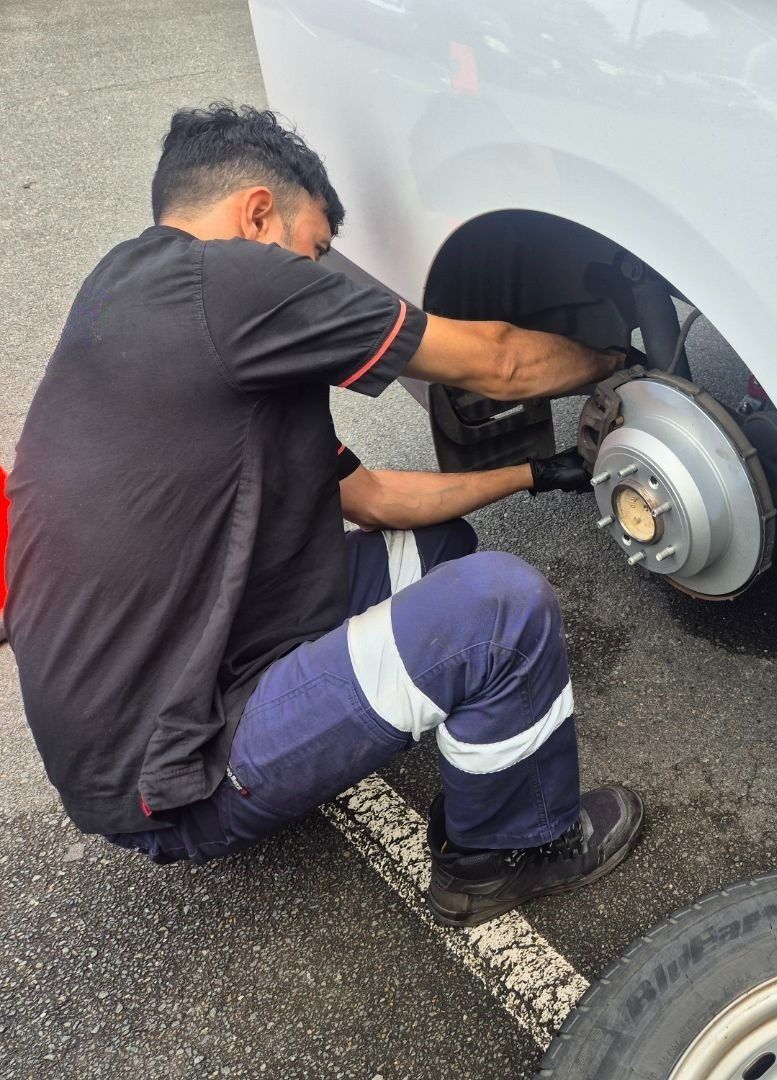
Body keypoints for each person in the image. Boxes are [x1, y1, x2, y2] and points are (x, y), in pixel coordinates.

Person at [4, 104, 643, 927]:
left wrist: (537, 471)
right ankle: (499, 857)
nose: (319, 276)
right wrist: (624, 363)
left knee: (439, 551)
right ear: (256, 212)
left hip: (174, 679)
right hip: (168, 775)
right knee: (501, 612)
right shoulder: (229, 284)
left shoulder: (132, 299)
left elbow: (371, 497)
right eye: (312, 253)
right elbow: (500, 361)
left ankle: (376, 727)